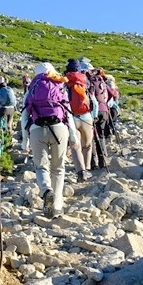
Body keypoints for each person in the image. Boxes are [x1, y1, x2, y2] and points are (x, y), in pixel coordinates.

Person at [25, 62, 78, 218]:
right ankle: (57, 206)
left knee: (41, 166)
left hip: (37, 129)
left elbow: (24, 115)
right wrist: (73, 135)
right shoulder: (59, 85)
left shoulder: (32, 87)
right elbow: (68, 113)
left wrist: (24, 140)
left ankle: (46, 190)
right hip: (59, 128)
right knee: (58, 168)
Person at [64, 58, 91, 182]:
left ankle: (81, 172)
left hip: (71, 116)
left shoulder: (64, 80)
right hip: (86, 115)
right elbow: (92, 98)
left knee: (75, 145)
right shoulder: (85, 80)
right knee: (87, 144)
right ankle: (88, 168)